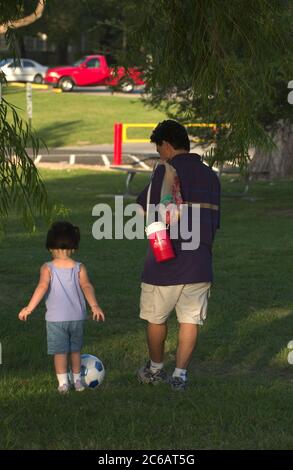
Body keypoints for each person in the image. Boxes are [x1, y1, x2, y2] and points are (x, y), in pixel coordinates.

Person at [137, 120, 220, 391]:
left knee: (156, 318)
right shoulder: (211, 176)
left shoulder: (164, 171)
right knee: (189, 321)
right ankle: (180, 375)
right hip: (199, 262)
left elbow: (144, 212)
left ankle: (155, 370)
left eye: (159, 147)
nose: (160, 153)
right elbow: (213, 222)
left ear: (167, 145)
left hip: (165, 262)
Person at [18, 221, 105, 394]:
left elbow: (42, 287)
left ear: (50, 247)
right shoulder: (79, 267)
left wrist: (29, 308)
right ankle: (78, 381)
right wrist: (94, 306)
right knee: (75, 351)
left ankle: (63, 383)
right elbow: (87, 286)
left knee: (60, 352)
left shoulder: (47, 268)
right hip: (77, 317)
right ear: (74, 248)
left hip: (56, 320)